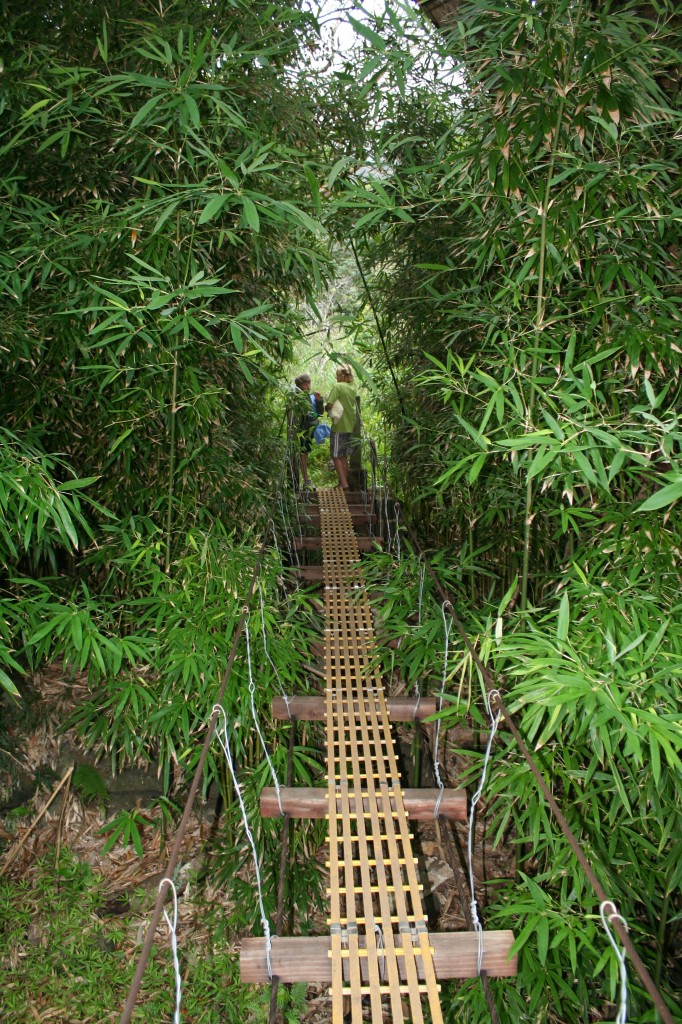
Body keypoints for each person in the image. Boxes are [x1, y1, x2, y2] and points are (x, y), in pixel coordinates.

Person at [325, 365, 357, 491]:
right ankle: (344, 483)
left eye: (337, 375)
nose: (336, 377)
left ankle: (344, 484)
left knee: (335, 455)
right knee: (343, 455)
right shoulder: (353, 387)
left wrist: (326, 408)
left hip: (339, 425)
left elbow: (330, 404)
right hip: (350, 424)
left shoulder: (338, 387)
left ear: (343, 376)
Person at [293, 372, 323, 488]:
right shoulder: (297, 397)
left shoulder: (312, 397)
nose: (309, 386)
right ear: (300, 385)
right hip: (303, 430)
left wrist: (319, 400)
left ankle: (306, 480)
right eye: (306, 384)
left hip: (313, 428)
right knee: (303, 453)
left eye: (309, 383)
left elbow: (319, 413)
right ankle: (306, 480)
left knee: (330, 434)